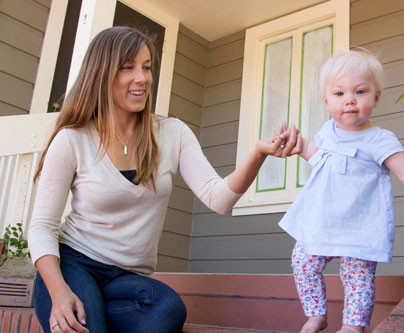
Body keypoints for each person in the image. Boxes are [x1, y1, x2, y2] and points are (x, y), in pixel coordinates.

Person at [28, 26, 299, 333]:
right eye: (128, 68)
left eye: (146, 67)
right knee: (84, 322)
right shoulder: (73, 139)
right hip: (74, 265)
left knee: (169, 310)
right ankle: (83, 308)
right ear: (102, 73)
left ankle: (95, 310)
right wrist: (59, 292)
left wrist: (258, 153)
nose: (142, 78)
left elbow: (218, 198)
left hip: (127, 280)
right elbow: (41, 228)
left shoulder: (173, 133)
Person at [277, 49, 404, 333]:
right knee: (302, 259)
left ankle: (353, 326)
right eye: (339, 94)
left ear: (376, 97)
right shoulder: (327, 131)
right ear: (326, 102)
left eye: (360, 91)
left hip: (360, 224)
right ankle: (316, 314)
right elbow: (322, 161)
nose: (350, 99)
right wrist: (300, 146)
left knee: (357, 276)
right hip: (322, 219)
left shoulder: (379, 140)